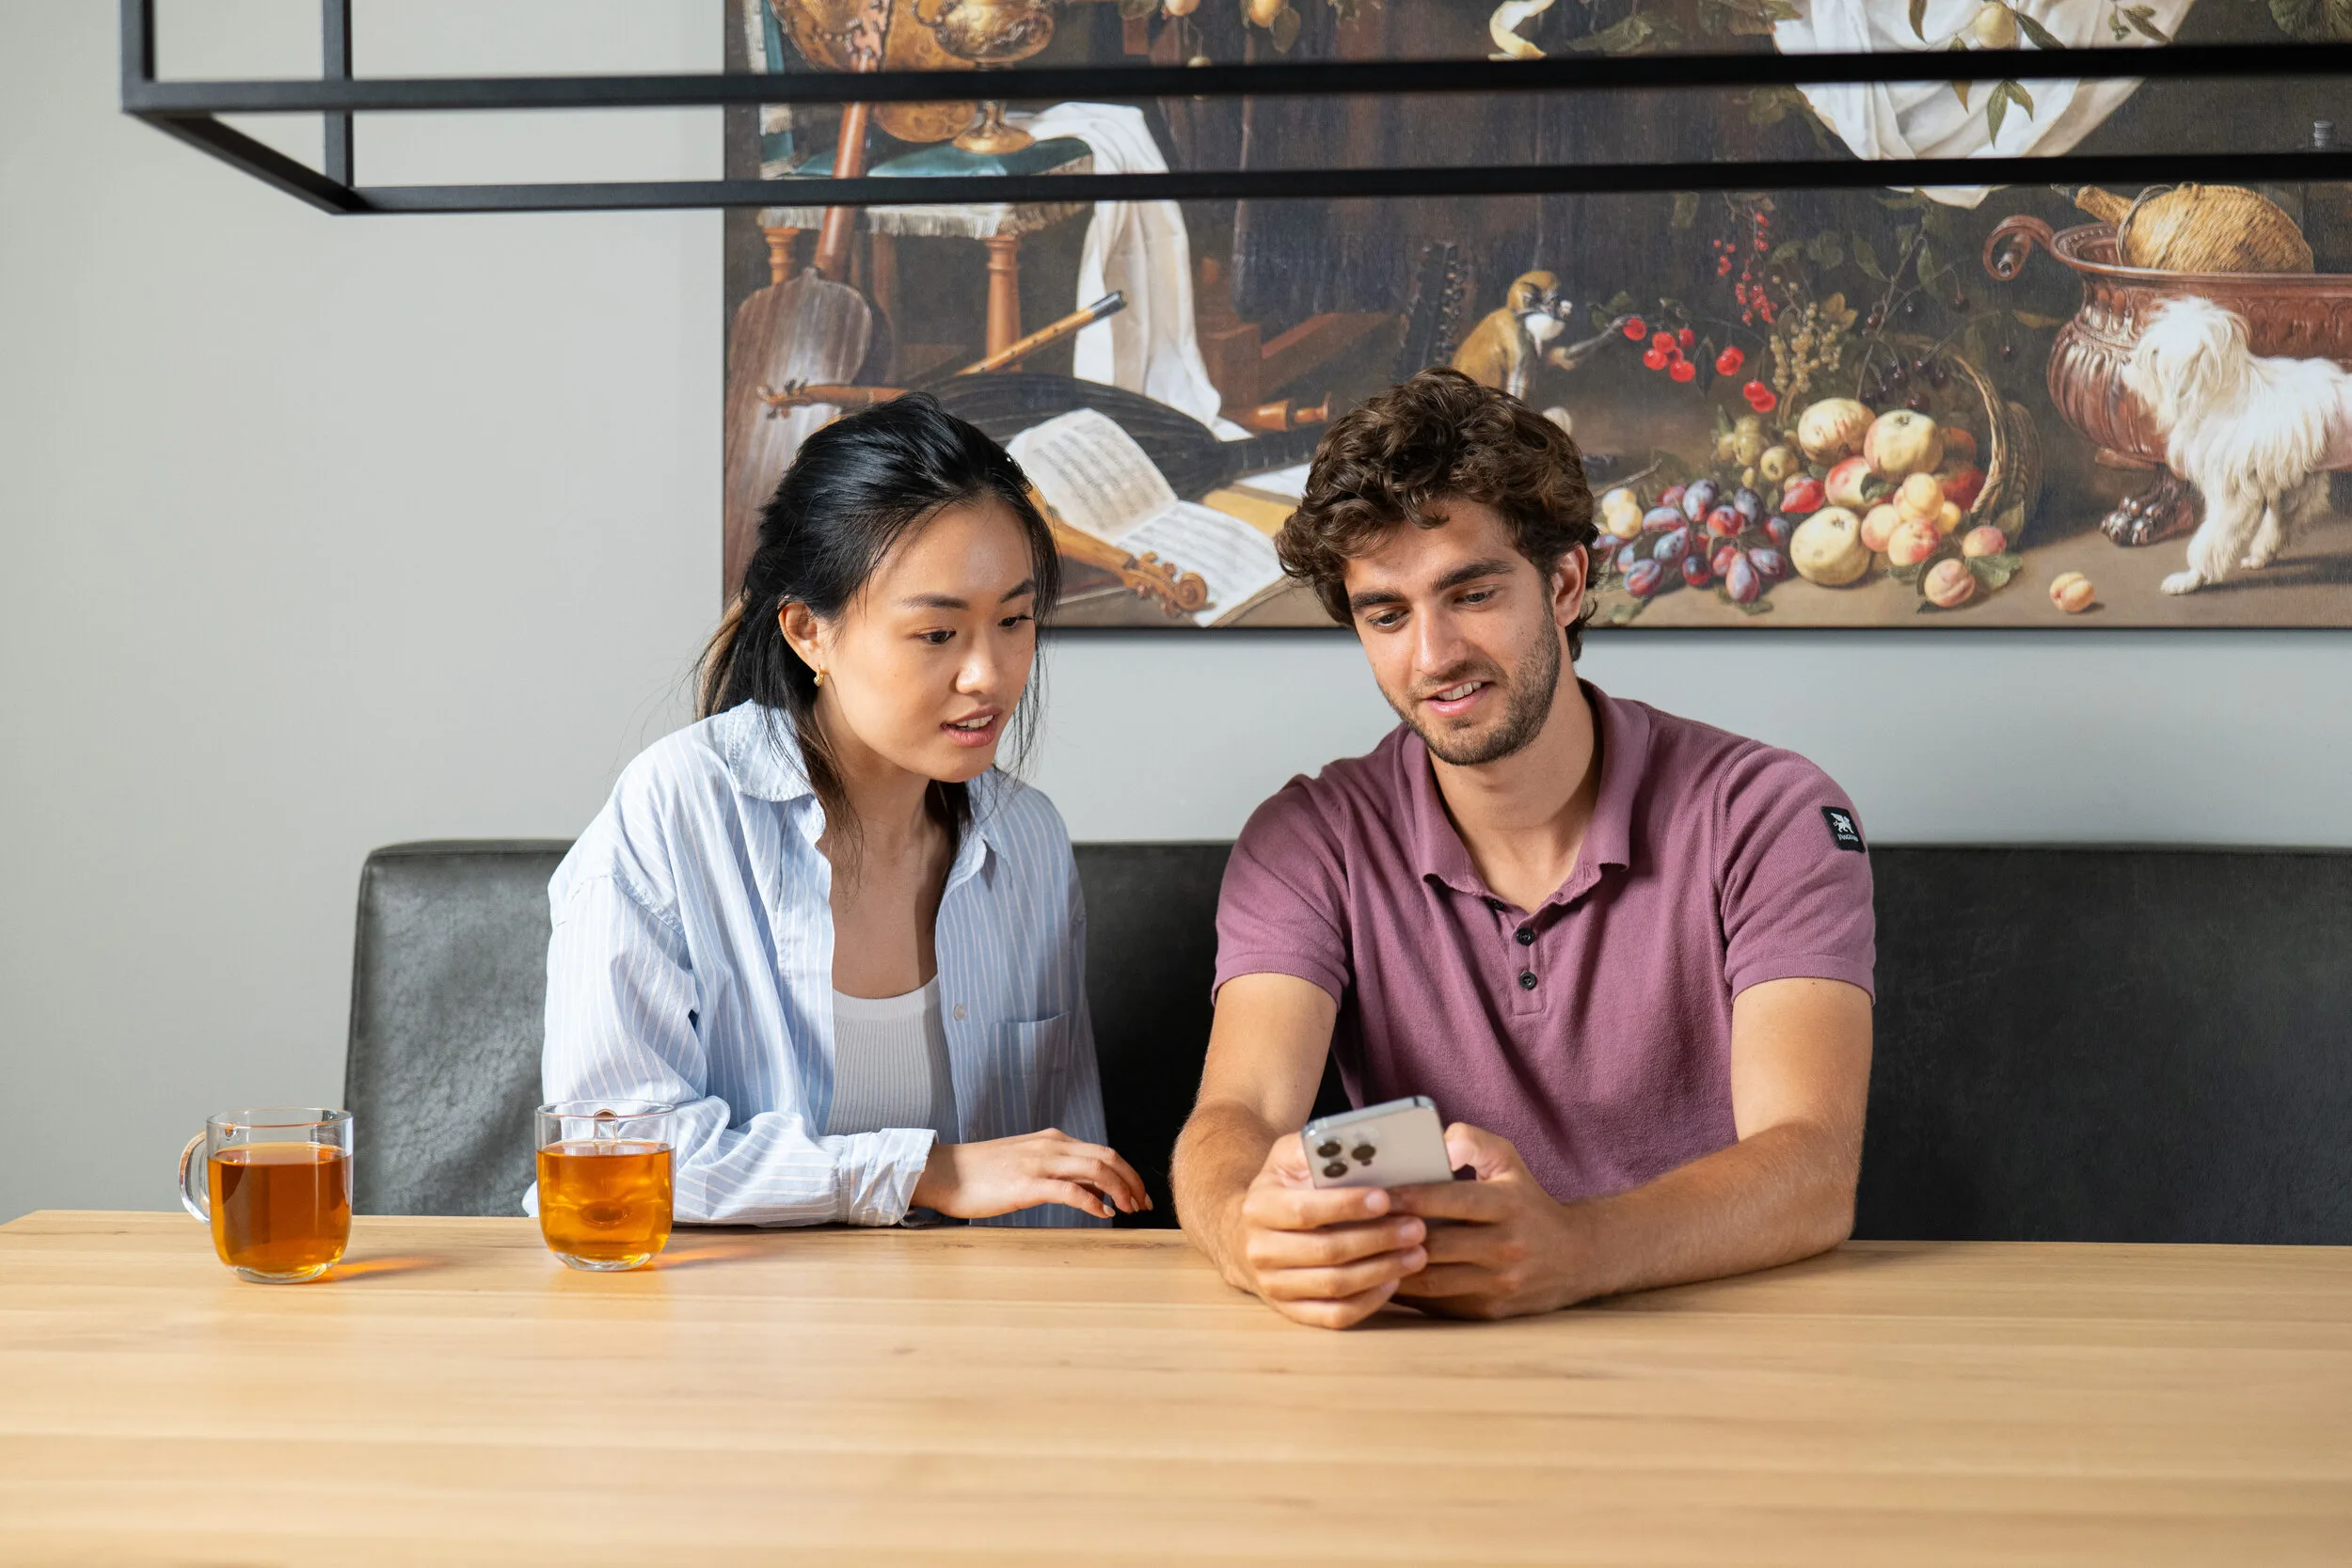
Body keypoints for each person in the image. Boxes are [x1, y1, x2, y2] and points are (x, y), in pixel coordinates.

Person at [1172, 368, 1874, 1326]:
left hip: (1721, 1334)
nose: (1433, 655)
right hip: (1425, 1346)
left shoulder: (1767, 813)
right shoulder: (1307, 839)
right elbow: (1236, 1119)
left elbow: (1811, 1166)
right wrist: (1243, 1233)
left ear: (1565, 584)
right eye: (1387, 614)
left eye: (1470, 593)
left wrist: (1575, 1251)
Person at [535, 395, 1147, 1227]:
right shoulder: (676, 810)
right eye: (937, 634)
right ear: (807, 632)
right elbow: (605, 1149)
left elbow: (1061, 1191)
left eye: (1014, 619)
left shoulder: (1027, 839)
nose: (989, 674)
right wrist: (919, 1171)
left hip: (974, 1306)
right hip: (716, 1305)